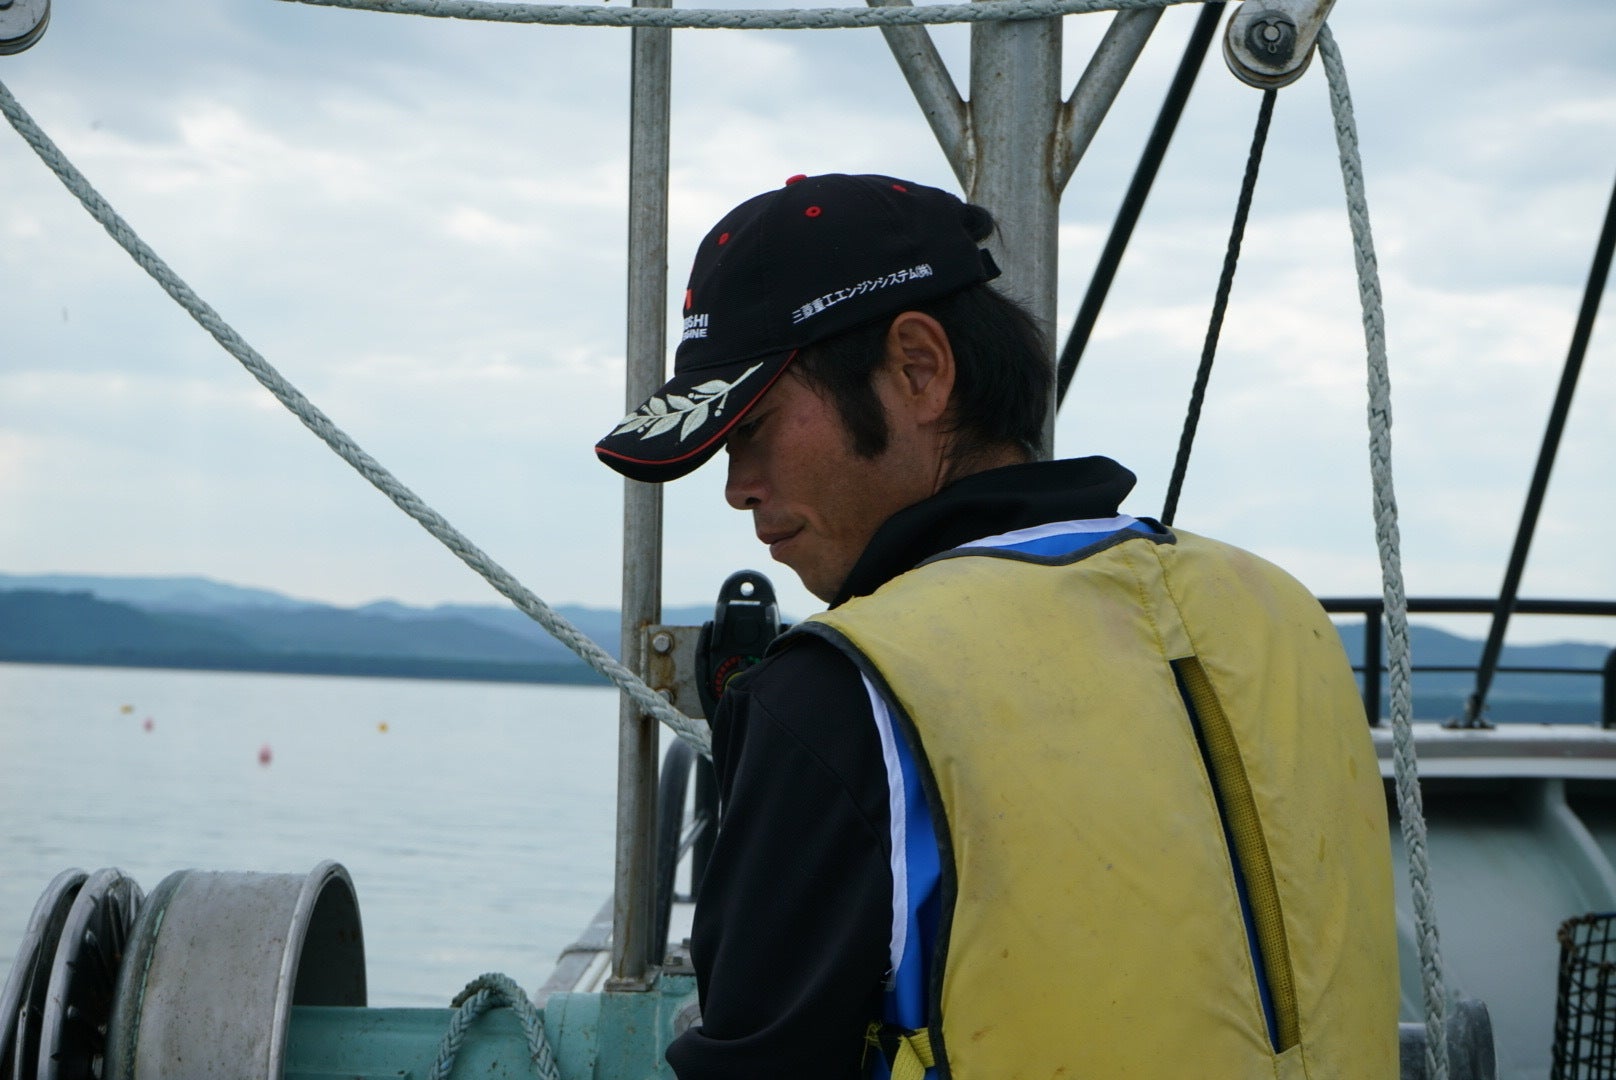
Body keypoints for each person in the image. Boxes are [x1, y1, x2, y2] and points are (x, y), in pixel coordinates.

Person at [595, 173, 1397, 1079]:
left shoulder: (840, 693)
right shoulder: (1282, 613)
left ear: (919, 369)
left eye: (754, 427)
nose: (738, 487)